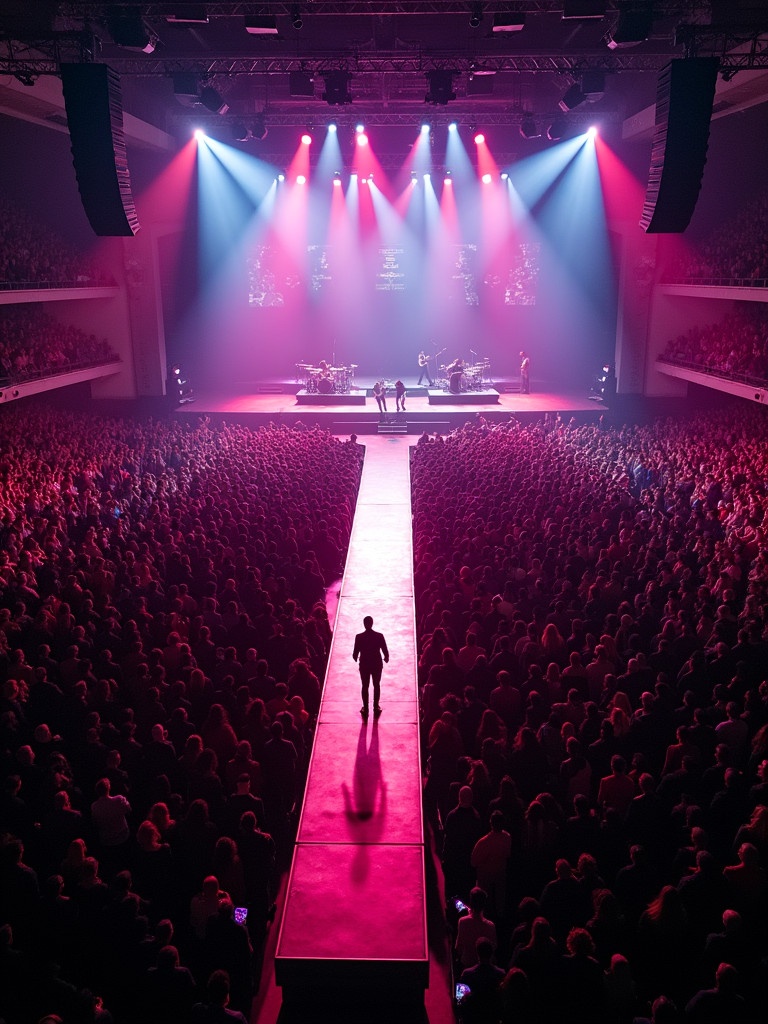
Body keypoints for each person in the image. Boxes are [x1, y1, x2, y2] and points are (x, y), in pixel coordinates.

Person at [352, 615, 389, 718]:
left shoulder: (359, 637)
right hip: (377, 664)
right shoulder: (379, 636)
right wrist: (386, 658)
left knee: (365, 686)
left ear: (364, 624)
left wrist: (356, 657)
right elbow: (385, 651)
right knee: (376, 685)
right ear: (372, 623)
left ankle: (365, 708)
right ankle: (376, 707)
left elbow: (355, 654)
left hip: (364, 664)